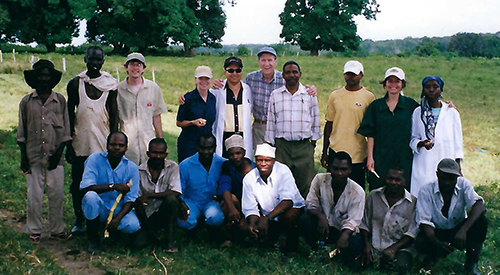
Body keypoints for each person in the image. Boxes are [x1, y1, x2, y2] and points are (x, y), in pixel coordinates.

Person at [17, 59, 72, 244]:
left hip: (55, 157)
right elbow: (22, 131)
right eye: (40, 75)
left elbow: (65, 131)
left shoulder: (60, 101)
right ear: (35, 78)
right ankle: (34, 229)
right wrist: (23, 156)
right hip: (33, 156)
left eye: (47, 76)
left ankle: (57, 229)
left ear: (52, 79)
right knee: (34, 196)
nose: (44, 79)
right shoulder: (26, 102)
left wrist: (59, 153)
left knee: (56, 194)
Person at [66, 46, 119, 234]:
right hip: (80, 142)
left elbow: (114, 115)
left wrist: (113, 143)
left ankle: (99, 218)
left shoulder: (110, 85)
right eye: (91, 59)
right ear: (85, 60)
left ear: (103, 61)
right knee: (78, 183)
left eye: (98, 60)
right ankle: (80, 219)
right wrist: (68, 143)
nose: (94, 64)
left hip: (102, 143)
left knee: (101, 183)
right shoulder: (75, 84)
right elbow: (69, 114)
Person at [415, 158, 487, 275]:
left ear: (457, 177)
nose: (447, 182)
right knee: (421, 240)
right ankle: (432, 256)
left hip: (458, 231)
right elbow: (424, 222)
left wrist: (463, 230)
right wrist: (436, 242)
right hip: (436, 233)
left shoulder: (463, 184)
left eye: (452, 179)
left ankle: (471, 265)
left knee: (481, 222)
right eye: (444, 178)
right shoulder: (426, 190)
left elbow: (479, 206)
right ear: (437, 174)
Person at [264, 60, 321, 197]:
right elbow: (271, 120)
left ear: (300, 74)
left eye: (295, 72)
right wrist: (271, 144)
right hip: (282, 146)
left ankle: (303, 214)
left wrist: (312, 143)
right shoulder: (276, 95)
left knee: (304, 183)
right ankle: (283, 214)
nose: (291, 75)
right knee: (281, 182)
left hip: (303, 146)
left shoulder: (309, 95)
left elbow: (315, 119)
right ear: (283, 75)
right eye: (288, 72)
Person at [357, 67, 419, 191]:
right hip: (380, 156)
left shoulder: (410, 105)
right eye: (390, 81)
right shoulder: (376, 106)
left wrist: (448, 106)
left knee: (403, 188)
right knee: (378, 186)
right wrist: (370, 157)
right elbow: (370, 134)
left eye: (397, 81)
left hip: (403, 156)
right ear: (385, 83)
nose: (393, 85)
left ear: (403, 84)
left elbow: (428, 115)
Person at [299, 151, 364, 265]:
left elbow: (354, 220)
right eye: (335, 168)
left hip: (343, 230)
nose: (339, 173)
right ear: (329, 168)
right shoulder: (319, 180)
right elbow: (310, 203)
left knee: (356, 244)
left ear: (350, 170)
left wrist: (345, 235)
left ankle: (339, 254)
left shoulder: (357, 191)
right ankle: (317, 248)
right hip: (323, 227)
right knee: (304, 219)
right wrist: (320, 216)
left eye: (343, 169)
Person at [80, 132, 141, 253]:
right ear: (106, 146)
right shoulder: (94, 159)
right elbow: (86, 187)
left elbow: (131, 199)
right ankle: (93, 238)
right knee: (90, 197)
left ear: (126, 147)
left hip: (118, 209)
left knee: (133, 226)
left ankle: (114, 231)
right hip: (99, 206)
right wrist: (113, 186)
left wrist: (118, 218)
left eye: (121, 145)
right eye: (113, 144)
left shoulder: (132, 168)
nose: (117, 148)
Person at [242, 143, 305, 255]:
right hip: (268, 214)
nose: (263, 164)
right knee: (246, 227)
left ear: (274, 161)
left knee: (290, 216)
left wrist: (267, 218)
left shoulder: (283, 171)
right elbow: (250, 208)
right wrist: (252, 223)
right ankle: (270, 238)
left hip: (290, 209)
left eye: (267, 160)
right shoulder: (249, 178)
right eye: (259, 160)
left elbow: (287, 201)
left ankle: (292, 246)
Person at [322, 60, 375, 189]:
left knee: (356, 190)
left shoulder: (369, 97)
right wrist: (324, 151)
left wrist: (369, 155)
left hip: (358, 154)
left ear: (361, 75)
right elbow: (329, 124)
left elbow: (371, 130)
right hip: (336, 150)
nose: (350, 77)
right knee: (332, 189)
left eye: (354, 74)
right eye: (348, 74)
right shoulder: (335, 96)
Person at [410, 76, 463, 197]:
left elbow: (457, 142)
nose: (431, 90)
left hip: (446, 159)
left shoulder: (451, 112)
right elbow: (413, 138)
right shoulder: (418, 112)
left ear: (441, 90)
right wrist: (422, 143)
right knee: (422, 196)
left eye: (435, 86)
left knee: (445, 195)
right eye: (427, 87)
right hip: (424, 161)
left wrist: (458, 167)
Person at [134, 138, 188, 252]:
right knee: (138, 244)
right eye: (154, 152)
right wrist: (150, 232)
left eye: (161, 153)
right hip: (146, 215)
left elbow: (175, 191)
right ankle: (151, 233)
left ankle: (169, 241)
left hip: (164, 212)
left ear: (166, 154)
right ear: (148, 153)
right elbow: (138, 202)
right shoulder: (139, 171)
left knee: (172, 200)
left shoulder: (172, 167)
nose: (158, 156)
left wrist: (149, 195)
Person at [360, 167, 417, 274]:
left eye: (398, 180)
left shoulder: (413, 203)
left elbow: (411, 233)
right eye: (390, 179)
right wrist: (366, 245)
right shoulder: (373, 196)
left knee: (400, 267)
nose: (393, 182)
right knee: (354, 257)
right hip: (374, 245)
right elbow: (364, 224)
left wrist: (393, 249)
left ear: (405, 181)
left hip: (399, 248)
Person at [117, 52, 167, 165]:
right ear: (126, 67)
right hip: (127, 143)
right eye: (132, 64)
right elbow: (115, 117)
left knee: (148, 174)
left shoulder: (153, 88)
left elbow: (156, 115)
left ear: (144, 68)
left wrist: (160, 139)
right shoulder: (118, 89)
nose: (135, 68)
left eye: (139, 65)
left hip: (148, 141)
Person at [177, 133, 225, 234]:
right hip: (191, 201)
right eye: (202, 148)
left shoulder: (223, 164)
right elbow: (179, 190)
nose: (206, 152)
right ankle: (197, 225)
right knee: (185, 221)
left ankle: (209, 226)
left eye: (209, 148)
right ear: (197, 147)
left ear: (215, 147)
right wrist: (182, 204)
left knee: (215, 217)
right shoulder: (185, 165)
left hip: (213, 202)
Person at [217, 134, 256, 247]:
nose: (235, 157)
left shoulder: (254, 169)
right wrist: (232, 208)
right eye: (231, 154)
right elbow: (224, 187)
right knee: (228, 200)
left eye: (238, 153)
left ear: (244, 152)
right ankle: (229, 237)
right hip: (236, 205)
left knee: (245, 227)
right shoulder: (227, 166)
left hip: (252, 207)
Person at [212, 57, 253, 158]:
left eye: (238, 70)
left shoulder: (247, 89)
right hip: (224, 136)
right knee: (224, 165)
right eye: (231, 70)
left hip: (243, 136)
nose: (234, 73)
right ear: (225, 72)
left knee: (243, 166)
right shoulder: (217, 89)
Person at [176, 66, 217, 163]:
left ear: (210, 80)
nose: (204, 81)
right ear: (195, 79)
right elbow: (179, 122)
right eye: (200, 78)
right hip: (189, 143)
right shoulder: (188, 98)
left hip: (207, 145)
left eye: (206, 78)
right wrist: (192, 122)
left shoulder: (213, 98)